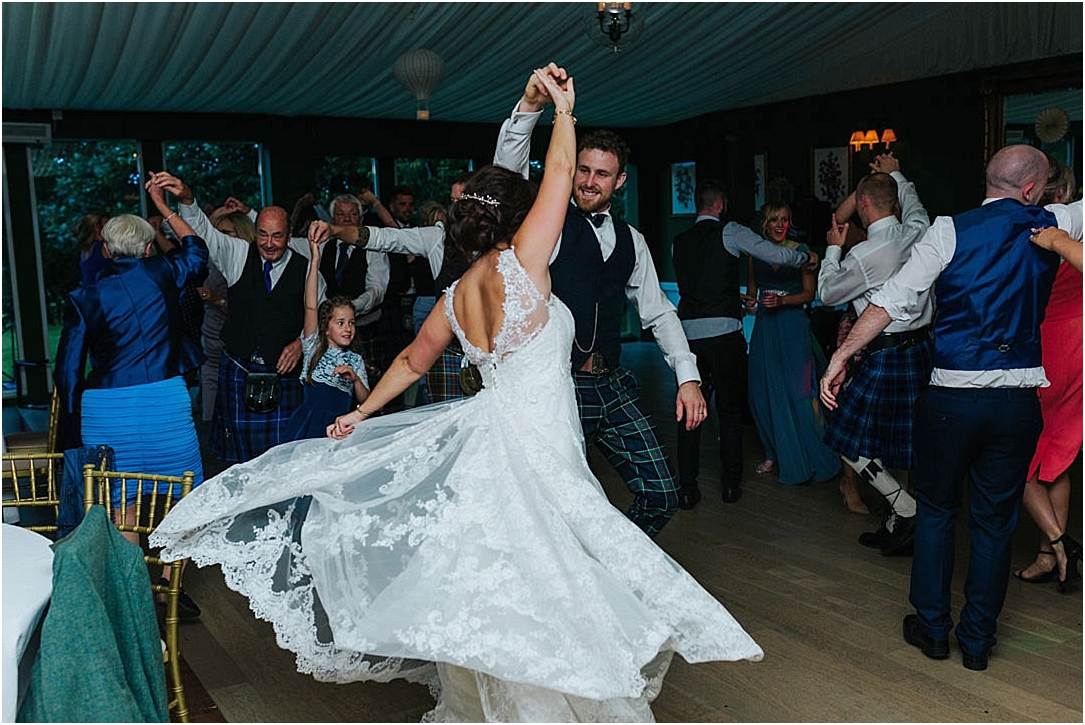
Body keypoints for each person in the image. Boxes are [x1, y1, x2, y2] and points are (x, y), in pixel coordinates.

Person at [149, 67, 762, 722]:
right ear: (517, 218)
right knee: (551, 577)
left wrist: (361, 410)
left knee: (502, 576)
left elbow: (412, 361)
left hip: (493, 442)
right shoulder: (525, 265)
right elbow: (559, 172)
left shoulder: (456, 294)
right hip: (537, 448)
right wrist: (563, 111)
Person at [821, 144, 1082, 671]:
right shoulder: (1053, 221)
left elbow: (891, 300)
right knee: (994, 523)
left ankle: (933, 629)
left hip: (950, 402)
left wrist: (841, 356)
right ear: (1032, 189)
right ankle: (978, 643)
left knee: (938, 513)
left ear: (988, 180)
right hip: (1016, 404)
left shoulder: (947, 230)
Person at [493, 69, 708, 538]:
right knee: (550, 508)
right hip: (558, 386)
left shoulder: (633, 240)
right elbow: (506, 179)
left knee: (661, 494)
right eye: (583, 170)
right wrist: (530, 107)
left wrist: (687, 378)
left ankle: (609, 564)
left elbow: (659, 312)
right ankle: (572, 574)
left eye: (602, 174)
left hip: (612, 384)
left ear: (620, 180)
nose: (589, 182)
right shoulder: (544, 224)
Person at [54, 190, 208, 616]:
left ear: (105, 250)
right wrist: (165, 209)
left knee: (123, 502)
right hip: (164, 402)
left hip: (106, 410)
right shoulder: (165, 272)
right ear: (147, 248)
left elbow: (67, 371)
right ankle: (170, 588)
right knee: (184, 496)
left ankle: (136, 593)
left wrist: (73, 425)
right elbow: (197, 248)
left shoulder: (84, 297)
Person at [148, 172, 314, 464]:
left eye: (277, 236)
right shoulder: (238, 254)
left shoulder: (308, 267)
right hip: (239, 368)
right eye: (262, 234)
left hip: (285, 376)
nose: (269, 243)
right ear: (255, 230)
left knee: (286, 457)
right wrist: (186, 199)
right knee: (240, 461)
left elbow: (324, 316)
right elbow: (203, 233)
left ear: (289, 235)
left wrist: (301, 342)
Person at [671, 179, 817, 506]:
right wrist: (806, 257)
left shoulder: (678, 242)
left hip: (687, 339)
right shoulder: (731, 231)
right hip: (724, 336)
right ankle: (730, 485)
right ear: (720, 206)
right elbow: (772, 253)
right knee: (729, 411)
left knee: (689, 413)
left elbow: (697, 288)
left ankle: (687, 489)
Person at [818, 152, 932, 555]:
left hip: (885, 354)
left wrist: (834, 250)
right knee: (904, 443)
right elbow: (913, 202)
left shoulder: (864, 255)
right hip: (921, 350)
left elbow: (826, 294)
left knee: (843, 434)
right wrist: (896, 172)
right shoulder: (919, 227)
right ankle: (899, 522)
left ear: (863, 203)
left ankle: (905, 508)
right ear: (895, 201)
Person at [1013, 157, 1082, 589]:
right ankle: (1049, 556)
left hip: (1048, 347)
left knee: (1014, 452)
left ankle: (1060, 543)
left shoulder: (1037, 232)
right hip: (1077, 346)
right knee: (1056, 458)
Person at [745, 202, 840, 486]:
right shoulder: (755, 253)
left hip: (792, 326)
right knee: (763, 391)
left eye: (785, 220)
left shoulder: (801, 252)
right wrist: (750, 303)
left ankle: (811, 453)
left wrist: (783, 300)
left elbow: (810, 293)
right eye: (775, 220)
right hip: (765, 328)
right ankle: (772, 452)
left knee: (799, 392)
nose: (780, 225)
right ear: (765, 223)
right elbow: (752, 292)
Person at [283, 236, 369, 440]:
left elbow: (366, 401)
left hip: (340, 429)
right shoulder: (313, 346)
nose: (348, 328)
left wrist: (355, 379)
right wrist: (315, 261)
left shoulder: (355, 360)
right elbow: (310, 306)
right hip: (309, 427)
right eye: (340, 323)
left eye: (351, 322)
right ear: (326, 328)